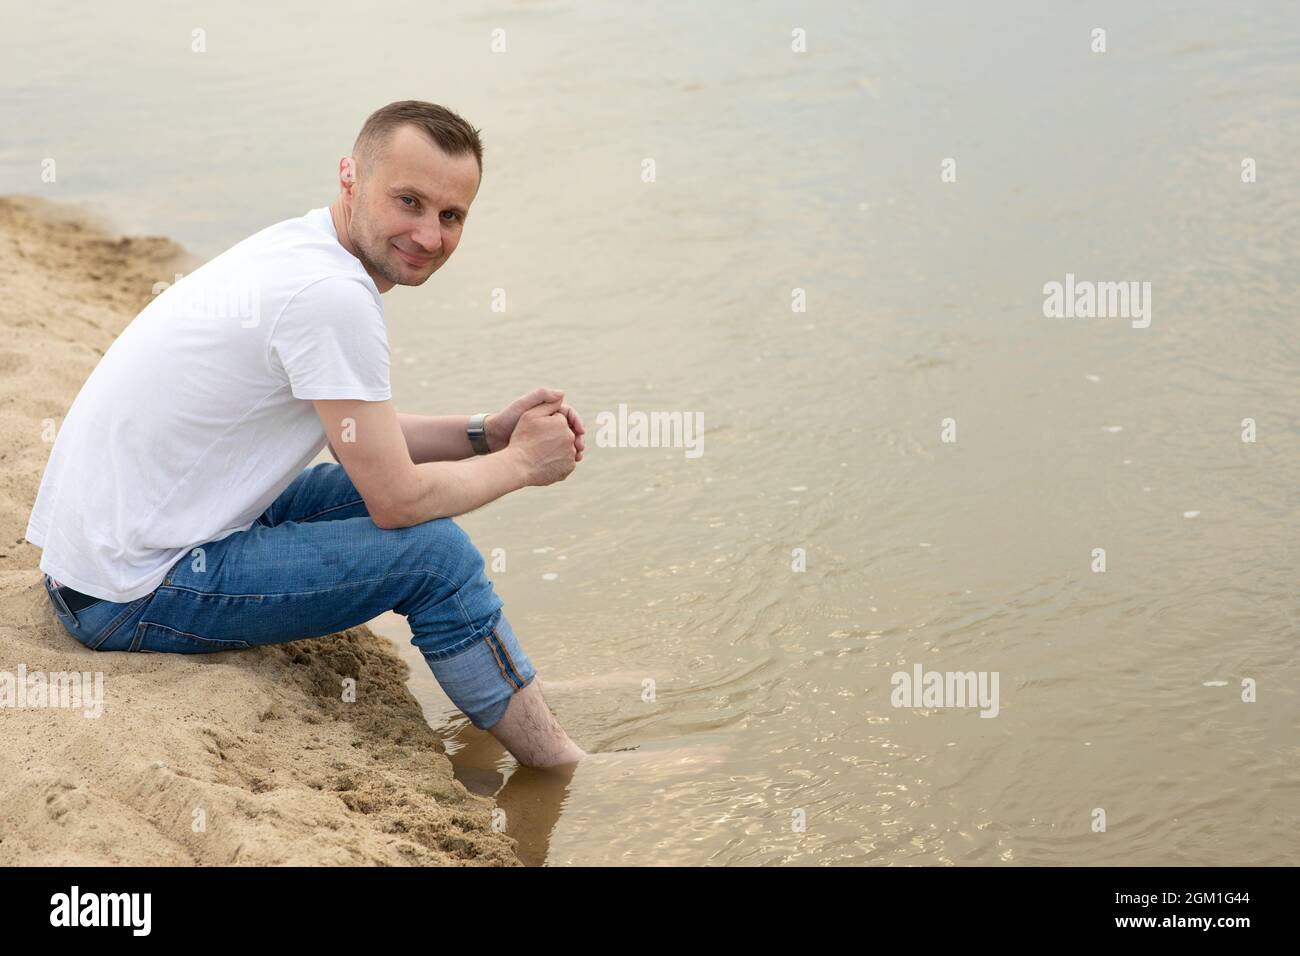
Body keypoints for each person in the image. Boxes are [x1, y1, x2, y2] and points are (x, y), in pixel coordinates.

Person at [25, 100, 588, 769]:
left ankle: (512, 685)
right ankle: (559, 764)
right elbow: (398, 502)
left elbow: (363, 436)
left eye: (451, 215)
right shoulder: (332, 296)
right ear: (350, 178)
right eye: (408, 201)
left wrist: (485, 435)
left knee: (349, 490)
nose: (429, 235)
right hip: (125, 593)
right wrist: (523, 463)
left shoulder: (302, 247)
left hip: (97, 559)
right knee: (435, 557)